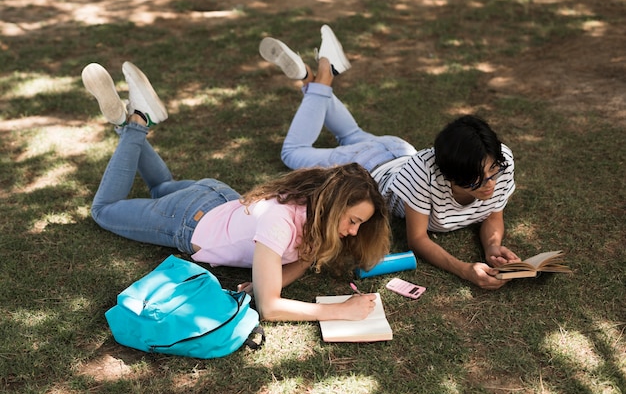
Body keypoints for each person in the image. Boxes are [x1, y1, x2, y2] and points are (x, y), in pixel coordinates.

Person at [81, 61, 391, 322]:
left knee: (161, 188)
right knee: (105, 209)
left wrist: (263, 282)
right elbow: (270, 308)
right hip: (189, 219)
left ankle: (126, 120)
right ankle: (136, 122)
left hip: (216, 200)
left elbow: (302, 260)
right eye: (353, 220)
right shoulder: (281, 223)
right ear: (335, 206)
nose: (353, 232)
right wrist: (339, 310)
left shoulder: (314, 211)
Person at [258, 25, 520, 290]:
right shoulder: (424, 175)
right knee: (293, 152)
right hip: (370, 165)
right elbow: (418, 239)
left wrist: (493, 247)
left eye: (492, 173)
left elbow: (492, 212)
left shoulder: (499, 160)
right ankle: (323, 74)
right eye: (476, 181)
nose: (489, 184)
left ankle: (311, 80)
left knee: (352, 133)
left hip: (397, 151)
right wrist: (465, 269)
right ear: (449, 175)